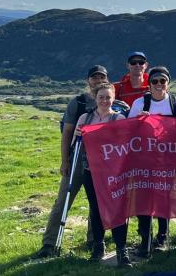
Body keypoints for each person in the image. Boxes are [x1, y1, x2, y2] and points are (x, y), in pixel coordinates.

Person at [32, 65, 107, 259]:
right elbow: (66, 134)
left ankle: (94, 240)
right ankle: (49, 244)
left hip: (101, 163)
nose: (98, 80)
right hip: (77, 159)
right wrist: (65, 161)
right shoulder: (78, 103)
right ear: (88, 80)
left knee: (97, 203)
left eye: (101, 77)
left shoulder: (110, 102)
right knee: (63, 201)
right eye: (94, 77)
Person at [128, 66, 176, 256]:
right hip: (144, 160)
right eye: (155, 81)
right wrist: (138, 121)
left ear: (168, 83)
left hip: (168, 159)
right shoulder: (140, 103)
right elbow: (128, 129)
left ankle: (162, 236)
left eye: (163, 81)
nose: (159, 84)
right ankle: (145, 238)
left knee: (164, 198)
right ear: (149, 84)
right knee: (144, 198)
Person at [73, 83, 132, 267]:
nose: (105, 101)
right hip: (91, 170)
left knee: (117, 209)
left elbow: (126, 145)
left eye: (108, 97)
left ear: (113, 98)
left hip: (113, 173)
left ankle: (121, 249)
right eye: (101, 97)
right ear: (95, 98)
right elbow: (76, 145)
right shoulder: (85, 117)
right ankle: (99, 246)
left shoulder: (119, 118)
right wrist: (78, 135)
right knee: (96, 208)